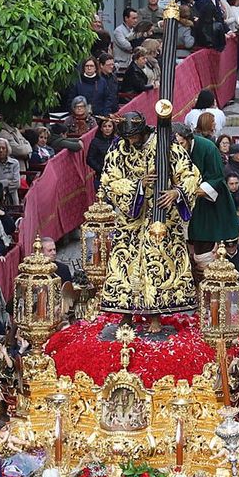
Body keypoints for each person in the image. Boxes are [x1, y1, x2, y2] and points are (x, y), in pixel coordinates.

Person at [95, 115, 200, 330]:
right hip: (132, 218)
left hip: (161, 214)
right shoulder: (119, 147)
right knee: (126, 264)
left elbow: (189, 173)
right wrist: (137, 186)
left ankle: (156, 315)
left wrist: (176, 192)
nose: (131, 142)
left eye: (134, 136)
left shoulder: (165, 143)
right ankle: (125, 311)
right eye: (127, 137)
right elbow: (108, 180)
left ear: (142, 132)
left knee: (159, 263)